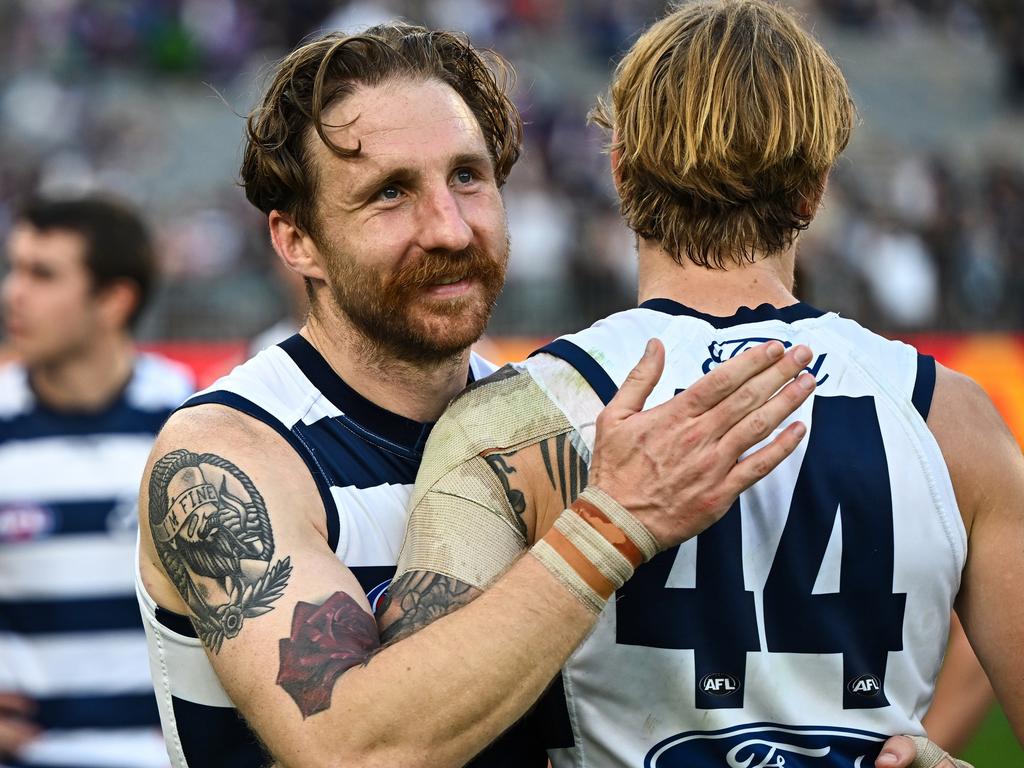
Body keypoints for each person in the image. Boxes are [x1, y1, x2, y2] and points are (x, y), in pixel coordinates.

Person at [134, 21, 953, 768]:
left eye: (469, 176)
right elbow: (356, 751)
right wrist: (608, 527)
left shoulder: (541, 416)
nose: (451, 227)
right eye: (389, 192)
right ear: (296, 239)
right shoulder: (227, 459)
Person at [381, 3, 1023, 767]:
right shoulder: (956, 420)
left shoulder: (512, 421)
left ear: (618, 169)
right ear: (815, 188)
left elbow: (400, 740)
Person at [0, 197, 193, 768]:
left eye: (43, 274)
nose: (14, 292)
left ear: (114, 300)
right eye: (14, 268)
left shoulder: (195, 424)